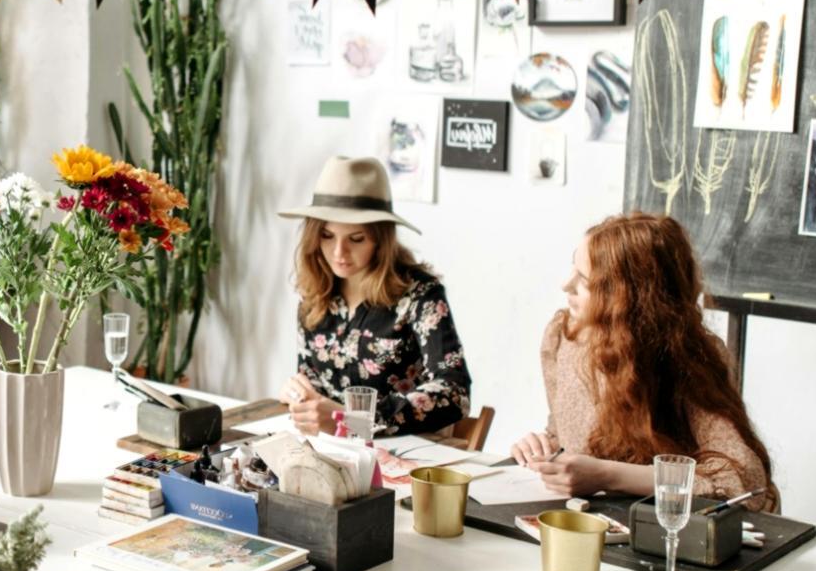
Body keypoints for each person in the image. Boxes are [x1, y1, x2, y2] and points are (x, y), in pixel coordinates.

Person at [510, 213, 778, 510]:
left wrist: (607, 475)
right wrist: (542, 447)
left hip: (662, 530)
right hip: (587, 521)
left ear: (627, 298)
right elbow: (565, 433)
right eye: (573, 266)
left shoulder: (685, 355)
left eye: (585, 280)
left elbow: (741, 480)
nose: (565, 285)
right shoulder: (562, 336)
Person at [275, 156, 472, 437]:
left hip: (405, 455)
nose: (339, 252)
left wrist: (352, 420)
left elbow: (455, 392)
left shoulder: (421, 295)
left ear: (381, 239)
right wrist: (299, 395)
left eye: (356, 239)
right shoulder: (315, 295)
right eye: (328, 236)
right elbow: (315, 387)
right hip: (330, 451)